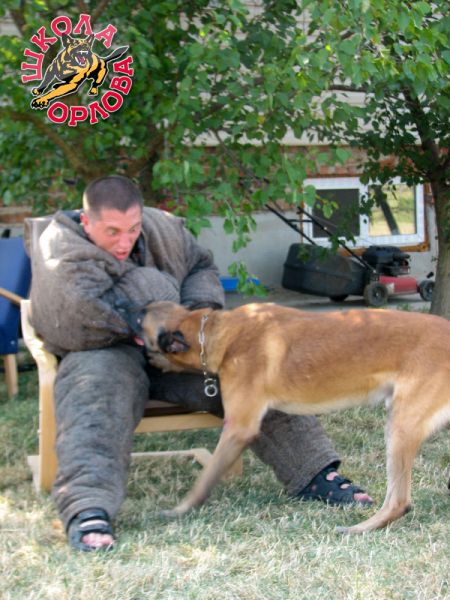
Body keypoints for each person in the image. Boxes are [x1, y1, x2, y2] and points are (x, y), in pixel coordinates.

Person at [28, 175, 372, 552]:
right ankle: (88, 507)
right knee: (95, 395)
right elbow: (74, 312)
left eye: (132, 229)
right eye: (112, 232)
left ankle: (315, 473)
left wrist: (194, 318)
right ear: (86, 221)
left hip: (177, 346)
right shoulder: (59, 245)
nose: (125, 242)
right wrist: (143, 314)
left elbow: (201, 267)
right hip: (103, 348)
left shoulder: (163, 228)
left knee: (252, 373)